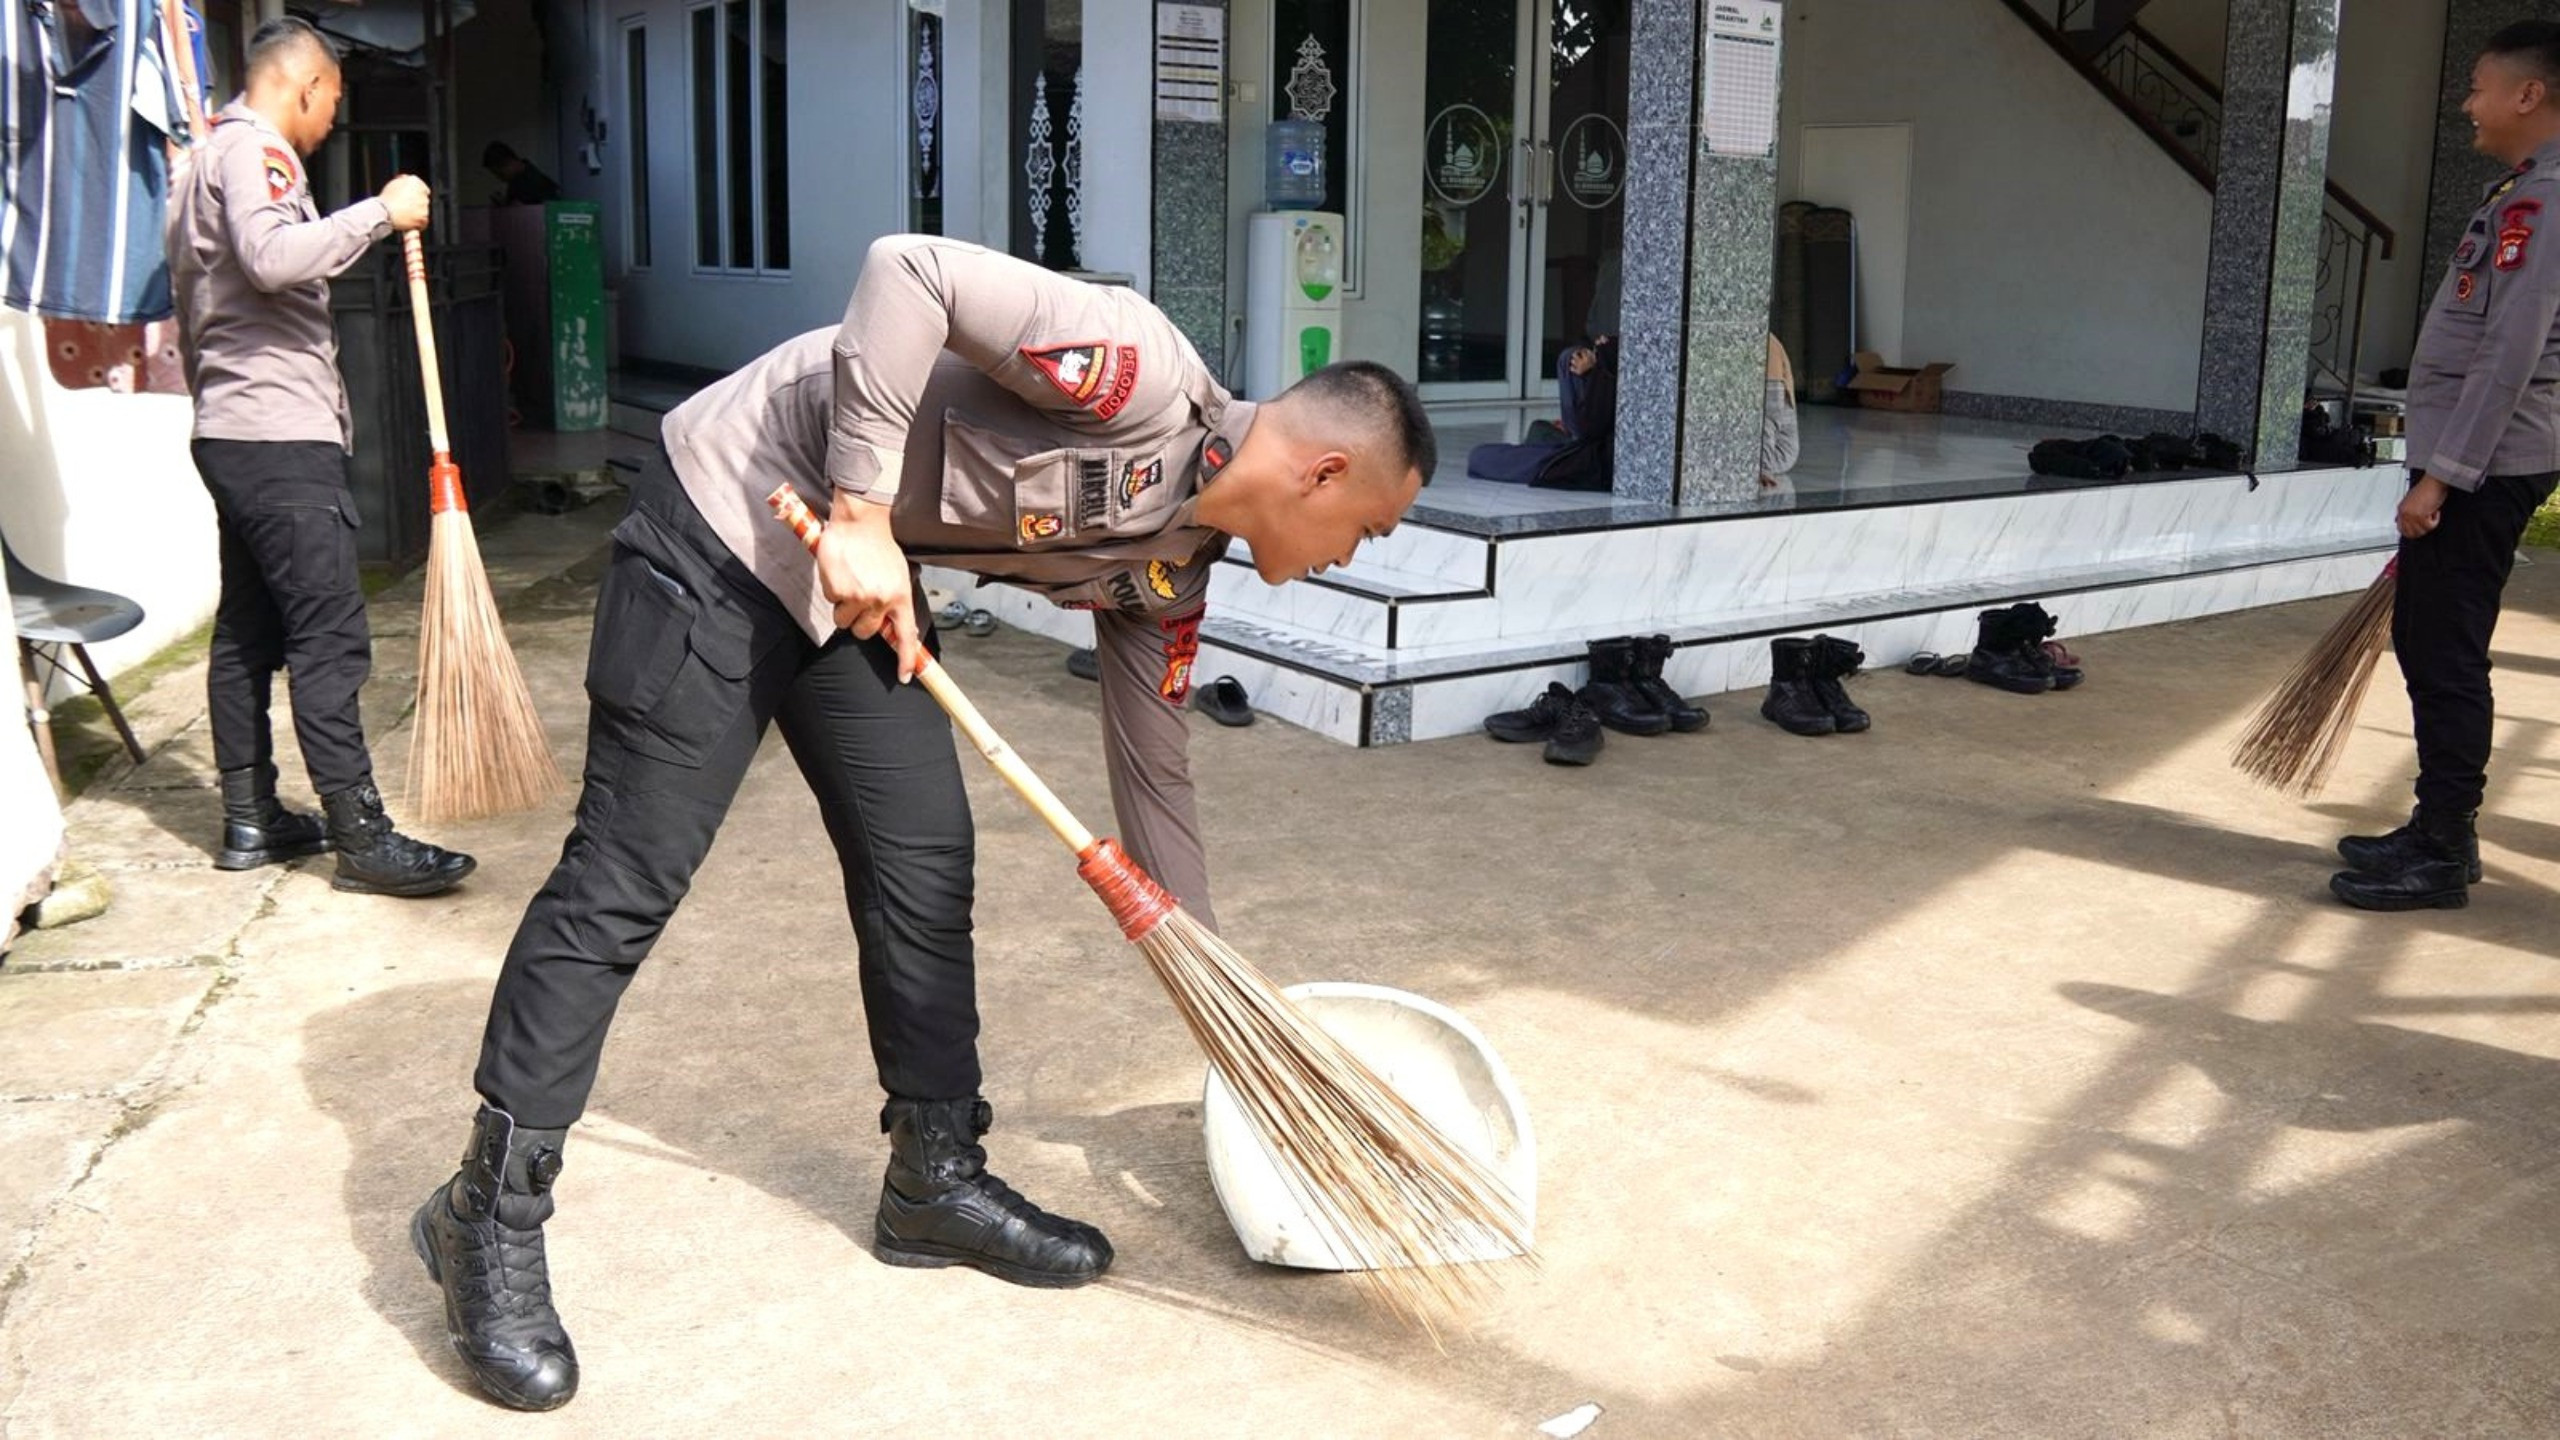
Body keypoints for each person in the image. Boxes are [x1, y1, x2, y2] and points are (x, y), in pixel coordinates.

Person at [409, 234, 1434, 1412]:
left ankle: (933, 1181)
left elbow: (1157, 793)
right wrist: (858, 512)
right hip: (739, 515)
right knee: (628, 875)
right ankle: (484, 1216)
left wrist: (1226, 1005)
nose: (1349, 556)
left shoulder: (1169, 574)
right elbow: (909, 274)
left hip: (856, 599)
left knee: (924, 868)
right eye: (1367, 529)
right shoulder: (1138, 374)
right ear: (1322, 473)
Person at [167, 17, 475, 897]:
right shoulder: (254, 155)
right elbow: (270, 260)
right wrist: (381, 213)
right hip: (276, 437)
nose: (331, 122)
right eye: (332, 103)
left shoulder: (199, 160)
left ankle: (252, 816)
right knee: (329, 636)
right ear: (302, 85)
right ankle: (362, 835)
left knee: (250, 631)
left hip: (233, 430)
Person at [2331, 20, 2560, 912]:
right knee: (2430, 642)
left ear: (2528, 95)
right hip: (2477, 459)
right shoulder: (2521, 191)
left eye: (2476, 86)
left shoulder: (2546, 203)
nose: (2466, 102)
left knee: (2446, 651)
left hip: (2486, 463)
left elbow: (2510, 353)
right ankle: (2438, 831)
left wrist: (2442, 475)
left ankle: (2443, 844)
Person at [481, 140, 561, 207]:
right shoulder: (516, 181)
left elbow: (551, 212)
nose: (500, 178)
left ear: (508, 163)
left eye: (500, 174)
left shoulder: (536, 181)